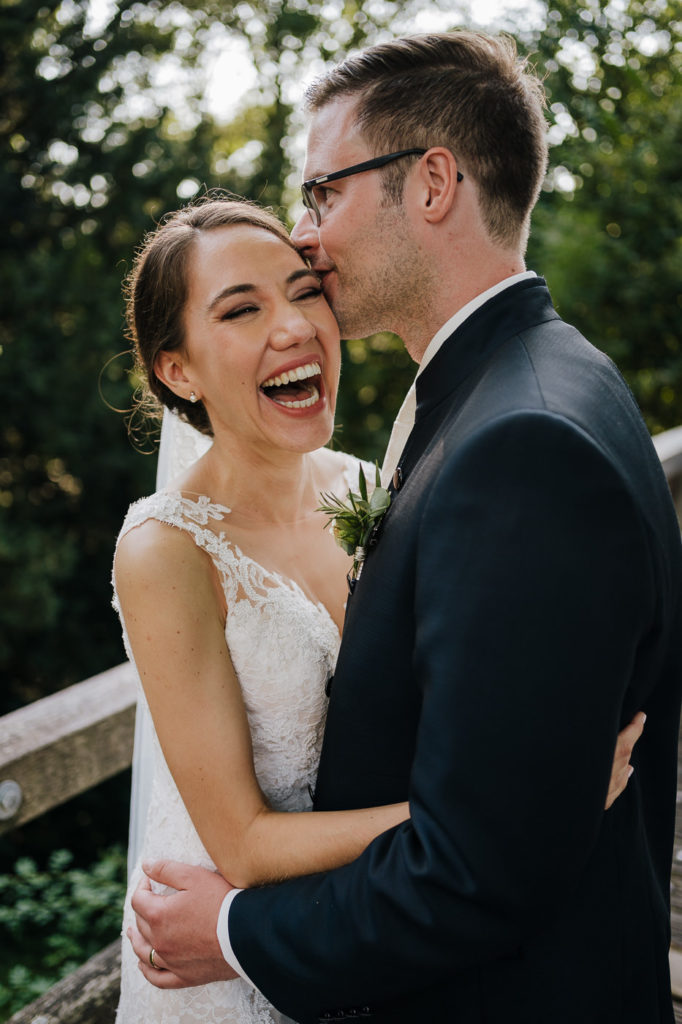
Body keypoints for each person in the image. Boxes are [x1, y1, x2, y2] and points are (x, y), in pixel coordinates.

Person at [129, 29, 682, 1024]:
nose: (306, 234)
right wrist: (539, 798)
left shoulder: (518, 444)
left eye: (321, 193)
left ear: (431, 183)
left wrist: (229, 931)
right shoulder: (544, 380)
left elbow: (477, 868)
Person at [112, 196, 414, 1023]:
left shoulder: (367, 485)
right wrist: (462, 820)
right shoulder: (166, 552)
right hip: (233, 954)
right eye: (242, 309)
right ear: (178, 370)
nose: (294, 326)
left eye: (304, 290)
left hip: (375, 925)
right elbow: (241, 842)